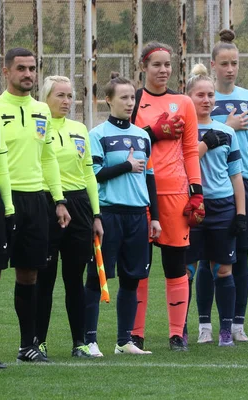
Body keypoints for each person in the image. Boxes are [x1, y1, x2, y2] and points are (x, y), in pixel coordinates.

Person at [0, 48, 70, 363]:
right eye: (21, 68)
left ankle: (27, 346)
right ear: (6, 72)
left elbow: (48, 158)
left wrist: (58, 199)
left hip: (36, 200)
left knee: (30, 273)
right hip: (1, 200)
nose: (28, 74)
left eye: (32, 68)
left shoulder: (42, 111)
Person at [195, 29, 248, 344]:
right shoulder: (201, 98)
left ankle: (236, 324)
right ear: (213, 64)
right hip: (209, 189)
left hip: (243, 183)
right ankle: (204, 326)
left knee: (240, 255)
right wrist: (229, 126)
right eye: (224, 63)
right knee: (205, 259)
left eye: (234, 63)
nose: (230, 68)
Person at [130, 42, 202, 351]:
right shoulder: (132, 100)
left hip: (174, 192)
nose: (163, 70)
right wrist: (153, 132)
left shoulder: (183, 102)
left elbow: (190, 150)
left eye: (167, 64)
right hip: (138, 192)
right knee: (139, 268)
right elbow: (123, 141)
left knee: (175, 265)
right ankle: (134, 334)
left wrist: (196, 192)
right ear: (144, 67)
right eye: (156, 64)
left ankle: (177, 334)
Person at [84, 74, 160, 356]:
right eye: (124, 98)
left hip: (138, 216)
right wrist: (126, 166)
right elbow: (94, 175)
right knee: (97, 278)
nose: (130, 103)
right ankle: (90, 340)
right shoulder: (97, 135)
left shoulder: (142, 136)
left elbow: (150, 178)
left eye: (132, 98)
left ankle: (124, 341)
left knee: (132, 279)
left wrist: (155, 217)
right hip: (109, 214)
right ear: (108, 100)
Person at [34, 76, 104, 358]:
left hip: (80, 205)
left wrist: (96, 214)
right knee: (45, 278)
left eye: (70, 96)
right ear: (46, 97)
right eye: (60, 96)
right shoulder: (39, 128)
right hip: (48, 203)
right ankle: (37, 341)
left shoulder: (79, 129)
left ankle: (79, 343)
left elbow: (88, 173)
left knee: (74, 279)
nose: (67, 101)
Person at [185, 64, 246, 346]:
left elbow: (236, 175)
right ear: (189, 98)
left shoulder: (227, 132)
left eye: (210, 95)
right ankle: (189, 329)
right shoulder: (182, 130)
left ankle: (225, 330)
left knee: (223, 269)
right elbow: (179, 164)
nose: (207, 100)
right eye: (201, 95)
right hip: (190, 205)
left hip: (222, 206)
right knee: (187, 270)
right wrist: (204, 144)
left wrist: (241, 213)